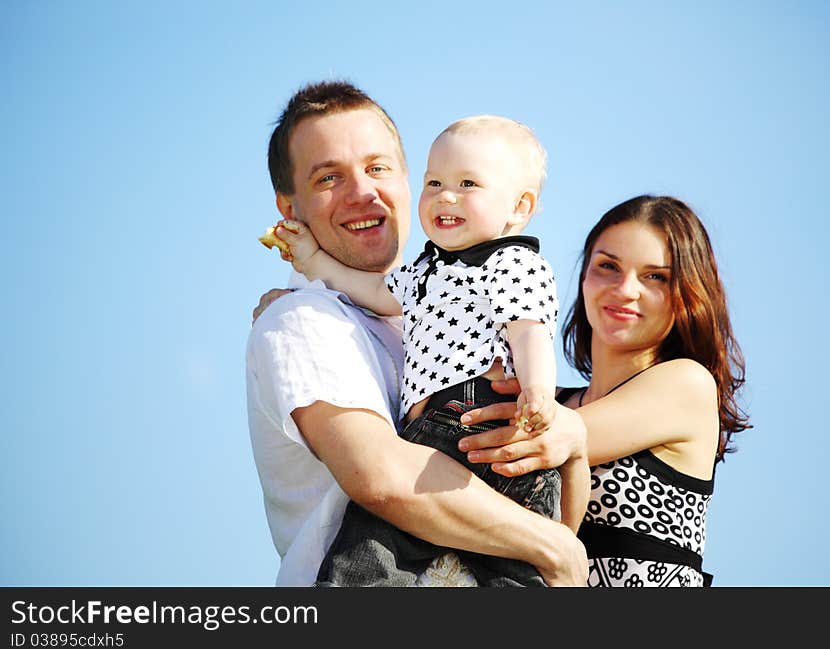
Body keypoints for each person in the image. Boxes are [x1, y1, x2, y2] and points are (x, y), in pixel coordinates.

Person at [245, 79, 589, 587]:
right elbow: (382, 476)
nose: (363, 192)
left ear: (403, 180)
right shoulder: (303, 320)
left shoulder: (439, 305)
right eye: (328, 178)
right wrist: (555, 547)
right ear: (289, 208)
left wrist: (569, 434)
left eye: (377, 168)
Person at [458, 194, 751, 587]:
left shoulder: (687, 384)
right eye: (608, 267)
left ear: (688, 293)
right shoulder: (551, 403)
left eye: (655, 277)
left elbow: (547, 440)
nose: (625, 289)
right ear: (583, 278)